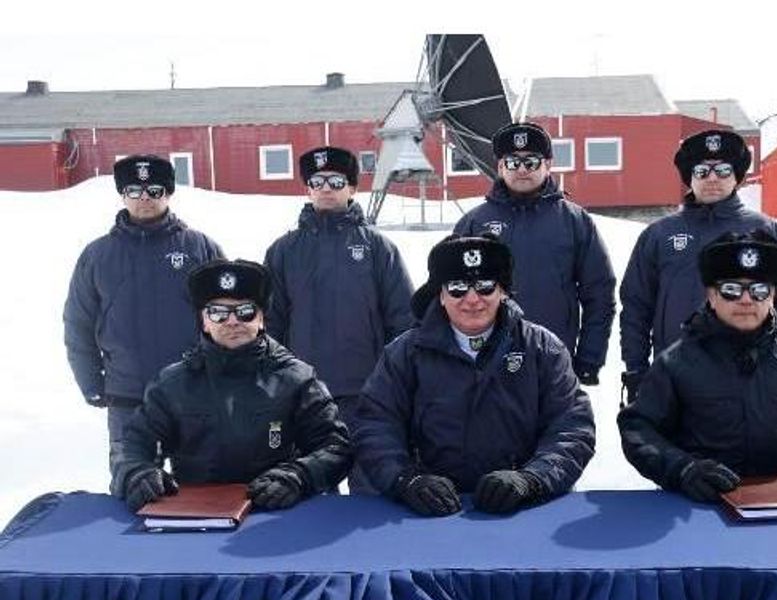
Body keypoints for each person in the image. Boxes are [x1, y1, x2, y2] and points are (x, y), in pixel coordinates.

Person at [355, 234, 596, 516]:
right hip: (429, 510)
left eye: (485, 286)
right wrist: (406, 480)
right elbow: (375, 424)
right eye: (457, 287)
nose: (472, 299)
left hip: (525, 507)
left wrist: (532, 479)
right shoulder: (405, 354)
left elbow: (572, 427)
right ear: (440, 295)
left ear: (503, 291)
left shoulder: (542, 349)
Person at [618, 231, 777, 502]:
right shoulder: (675, 364)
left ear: (772, 296)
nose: (746, 300)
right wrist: (682, 469)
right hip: (701, 506)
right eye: (731, 290)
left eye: (759, 290)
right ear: (711, 294)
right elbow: (638, 428)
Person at [111, 260, 353, 511]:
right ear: (204, 321)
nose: (232, 321)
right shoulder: (172, 384)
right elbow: (131, 443)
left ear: (261, 319)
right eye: (218, 313)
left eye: (245, 311)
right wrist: (136, 473)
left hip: (277, 514)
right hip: (195, 513)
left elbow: (335, 446)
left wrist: (299, 476)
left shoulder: (297, 380)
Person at [264, 145, 414, 493]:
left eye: (336, 180)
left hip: (368, 395)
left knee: (371, 491)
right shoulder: (284, 250)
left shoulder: (378, 248)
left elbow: (403, 321)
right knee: (312, 493)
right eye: (318, 181)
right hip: (305, 396)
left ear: (352, 187)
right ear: (308, 188)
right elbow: (271, 323)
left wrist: (396, 382)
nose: (326, 188)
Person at [619, 129, 777, 405]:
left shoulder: (766, 231)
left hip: (750, 379)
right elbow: (636, 306)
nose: (712, 179)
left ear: (737, 176)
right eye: (702, 171)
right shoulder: (659, 235)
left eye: (722, 170)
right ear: (689, 177)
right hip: (676, 377)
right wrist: (636, 369)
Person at [63, 154, 224, 470]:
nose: (144, 199)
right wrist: (91, 381)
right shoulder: (98, 255)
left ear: (168, 193)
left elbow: (226, 316)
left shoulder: (199, 248)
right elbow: (78, 323)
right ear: (123, 195)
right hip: (127, 397)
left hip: (193, 394)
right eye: (135, 191)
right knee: (132, 488)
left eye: (154, 191)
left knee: (202, 495)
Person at [452, 122, 616, 387]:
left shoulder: (574, 222)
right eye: (513, 162)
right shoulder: (474, 223)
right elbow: (449, 292)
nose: (522, 170)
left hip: (553, 363)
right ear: (500, 166)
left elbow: (599, 294)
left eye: (531, 162)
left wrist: (588, 359)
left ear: (548, 164)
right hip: (485, 364)